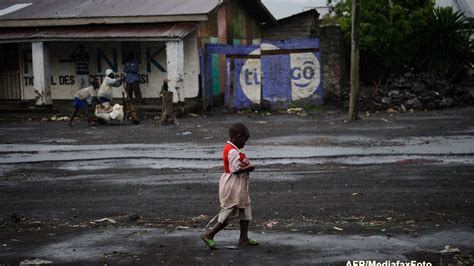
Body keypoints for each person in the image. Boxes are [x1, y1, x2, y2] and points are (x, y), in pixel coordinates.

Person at [201, 123, 258, 249]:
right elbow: (235, 169)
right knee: (230, 211)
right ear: (238, 136)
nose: (245, 143)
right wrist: (250, 167)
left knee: (245, 209)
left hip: (239, 185)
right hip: (233, 185)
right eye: (244, 140)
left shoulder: (233, 148)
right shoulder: (231, 150)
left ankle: (244, 238)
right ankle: (209, 234)